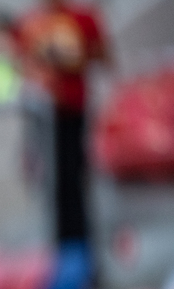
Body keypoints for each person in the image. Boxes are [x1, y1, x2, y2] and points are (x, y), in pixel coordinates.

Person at [16, 0, 110, 245]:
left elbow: (102, 56)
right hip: (43, 116)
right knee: (49, 183)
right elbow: (23, 65)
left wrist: (69, 55)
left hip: (72, 113)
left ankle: (78, 246)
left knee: (74, 182)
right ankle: (59, 245)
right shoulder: (30, 23)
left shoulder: (81, 19)